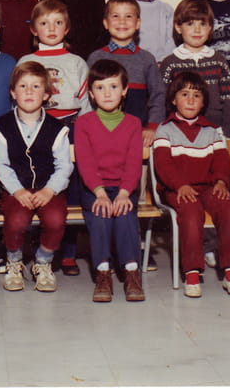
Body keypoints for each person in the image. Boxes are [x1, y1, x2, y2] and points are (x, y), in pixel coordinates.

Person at [153, 71, 230, 298]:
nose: (191, 100)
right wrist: (180, 185)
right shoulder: (165, 129)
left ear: (203, 102)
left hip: (207, 188)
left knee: (228, 211)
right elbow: (163, 166)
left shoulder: (211, 131)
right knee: (191, 213)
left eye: (196, 96)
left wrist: (221, 182)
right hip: (176, 189)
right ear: (174, 100)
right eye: (184, 94)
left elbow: (222, 162)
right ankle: (192, 274)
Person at [18, 0, 89, 276]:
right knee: (40, 184)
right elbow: (18, 98)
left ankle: (68, 253)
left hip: (70, 124)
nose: (51, 28)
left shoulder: (76, 62)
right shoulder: (27, 61)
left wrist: (82, 132)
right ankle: (39, 249)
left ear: (66, 28)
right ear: (33, 29)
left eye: (58, 23)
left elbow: (86, 102)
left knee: (69, 187)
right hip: (38, 125)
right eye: (44, 23)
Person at [0, 61, 74, 292]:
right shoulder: (0, 127)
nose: (28, 91)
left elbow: (64, 166)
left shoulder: (58, 129)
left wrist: (49, 190)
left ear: (46, 94)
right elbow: (0, 165)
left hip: (48, 188)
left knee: (55, 219)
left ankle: (43, 262)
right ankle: (14, 262)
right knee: (16, 221)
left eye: (36, 86)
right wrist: (17, 190)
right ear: (13, 92)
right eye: (23, 86)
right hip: (16, 189)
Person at [74, 59, 145, 302]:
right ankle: (103, 273)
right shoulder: (84, 123)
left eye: (113, 87)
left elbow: (134, 163)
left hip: (124, 188)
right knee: (101, 214)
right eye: (100, 87)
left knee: (125, 215)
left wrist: (124, 193)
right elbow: (86, 162)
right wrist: (100, 193)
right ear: (91, 94)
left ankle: (132, 272)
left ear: (124, 90)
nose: (107, 93)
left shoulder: (133, 123)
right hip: (94, 189)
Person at [86, 0, 165, 148]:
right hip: (102, 134)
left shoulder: (147, 59)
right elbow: (87, 97)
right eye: (115, 16)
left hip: (138, 135)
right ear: (106, 23)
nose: (122, 21)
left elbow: (158, 95)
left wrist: (152, 127)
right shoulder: (95, 58)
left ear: (138, 23)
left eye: (128, 16)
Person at [159, 0, 230, 138]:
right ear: (178, 27)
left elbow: (228, 99)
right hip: (179, 130)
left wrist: (228, 130)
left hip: (215, 129)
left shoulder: (219, 61)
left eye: (203, 24)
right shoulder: (170, 63)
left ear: (210, 28)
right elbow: (164, 101)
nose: (197, 30)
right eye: (190, 24)